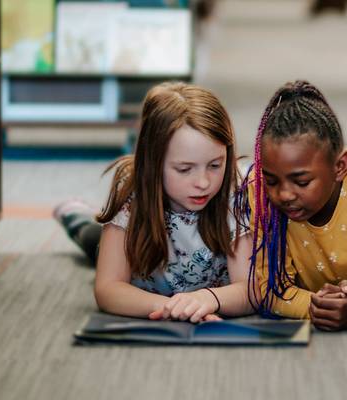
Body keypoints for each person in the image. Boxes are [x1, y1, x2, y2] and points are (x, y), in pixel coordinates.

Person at [55, 82, 252, 323]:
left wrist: (207, 299)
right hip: (141, 260)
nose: (203, 182)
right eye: (184, 169)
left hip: (201, 288)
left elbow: (250, 290)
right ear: (153, 163)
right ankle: (73, 212)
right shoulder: (132, 188)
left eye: (215, 165)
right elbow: (108, 289)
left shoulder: (236, 191)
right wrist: (176, 308)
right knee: (90, 237)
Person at [239, 80, 347, 331]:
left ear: (340, 167)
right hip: (318, 283)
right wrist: (317, 306)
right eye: (272, 180)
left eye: (301, 181)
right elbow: (269, 288)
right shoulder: (258, 189)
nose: (284, 194)